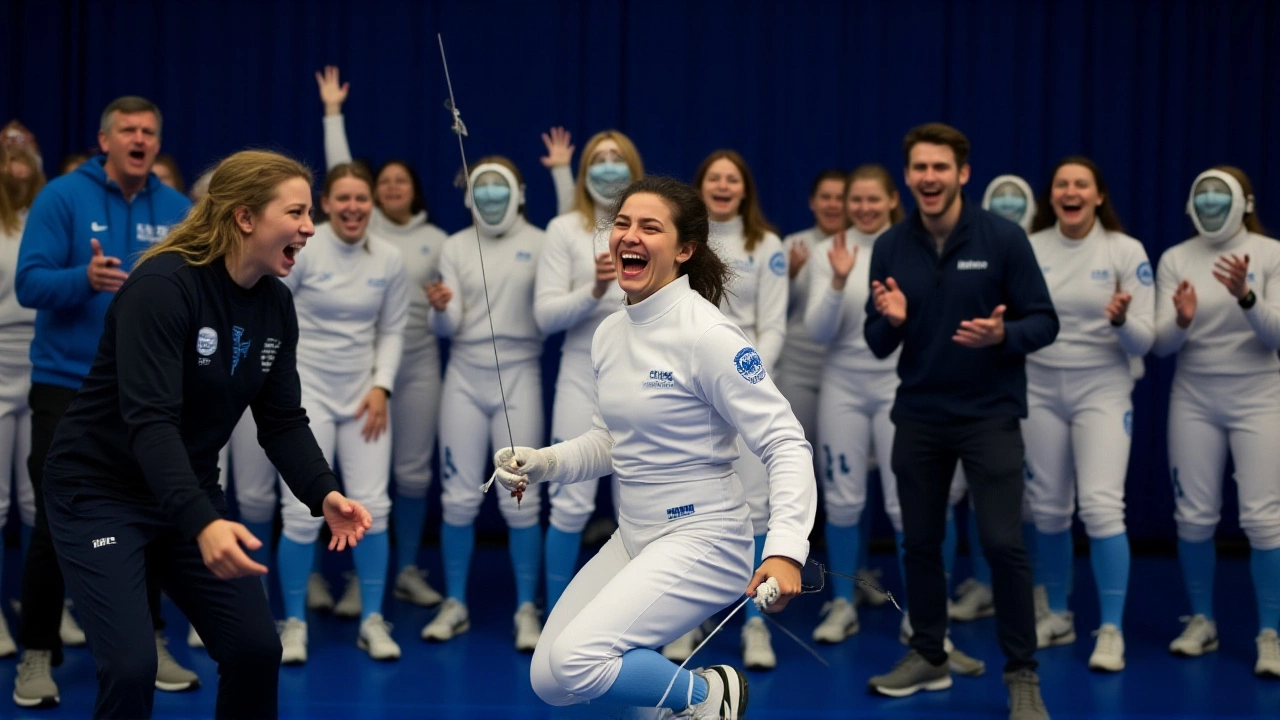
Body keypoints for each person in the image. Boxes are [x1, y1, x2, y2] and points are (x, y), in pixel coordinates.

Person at [40, 149, 373, 720]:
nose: (309, 227)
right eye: (295, 212)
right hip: (99, 494)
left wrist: (324, 493)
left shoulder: (276, 304)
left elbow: (282, 422)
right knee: (131, 667)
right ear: (245, 218)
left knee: (255, 649)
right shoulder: (162, 287)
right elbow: (151, 424)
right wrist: (203, 523)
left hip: (185, 493)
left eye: (308, 213)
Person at [493, 175, 814, 719]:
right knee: (549, 678)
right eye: (622, 223)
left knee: (577, 661)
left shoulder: (707, 335)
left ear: (684, 249)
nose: (630, 236)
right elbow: (609, 442)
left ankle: (711, 697)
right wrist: (544, 462)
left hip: (706, 538)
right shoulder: (610, 333)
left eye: (650, 227)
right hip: (635, 534)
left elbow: (785, 441)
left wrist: (784, 549)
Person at [862, 123, 1057, 719]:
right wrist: (893, 320)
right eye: (920, 167)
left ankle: (1022, 674)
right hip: (920, 414)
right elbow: (876, 342)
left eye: (940, 167)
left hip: (989, 415)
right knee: (920, 543)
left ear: (962, 173)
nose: (929, 177)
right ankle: (929, 655)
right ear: (908, 176)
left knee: (1002, 543)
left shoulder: (1003, 239)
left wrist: (1004, 334)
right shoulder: (891, 246)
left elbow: (1044, 322)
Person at [14, 95, 198, 708]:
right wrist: (83, 280)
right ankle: (36, 650)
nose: (139, 138)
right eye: (128, 129)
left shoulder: (177, 210)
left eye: (149, 130)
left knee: (150, 519)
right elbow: (28, 283)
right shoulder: (62, 197)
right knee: (54, 521)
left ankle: (152, 641)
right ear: (105, 140)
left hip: (145, 394)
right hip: (66, 386)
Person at [315, 65, 448, 614]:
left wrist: (446, 305)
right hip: (361, 368)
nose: (390, 188)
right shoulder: (361, 229)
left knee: (411, 475)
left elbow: (452, 310)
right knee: (338, 481)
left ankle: (405, 571)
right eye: (382, 182)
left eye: (400, 182)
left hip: (416, 366)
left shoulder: (437, 238)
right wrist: (332, 114)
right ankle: (346, 576)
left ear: (413, 189)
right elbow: (340, 173)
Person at [273, 162, 408, 664]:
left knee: (374, 506)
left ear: (372, 205)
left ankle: (372, 619)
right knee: (299, 512)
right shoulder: (303, 249)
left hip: (362, 399)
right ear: (326, 204)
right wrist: (283, 390)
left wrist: (381, 386)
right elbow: (274, 315)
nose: (353, 208)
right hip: (306, 394)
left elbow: (392, 329)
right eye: (343, 199)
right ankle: (293, 623)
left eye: (361, 199)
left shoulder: (390, 258)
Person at [1021, 157, 1153, 672]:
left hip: (1103, 388)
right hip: (1040, 388)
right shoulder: (1031, 247)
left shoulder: (1125, 251)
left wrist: (1121, 321)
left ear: (1098, 196)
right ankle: (1057, 614)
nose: (1070, 192)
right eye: (1062, 184)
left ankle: (1111, 628)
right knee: (1049, 509)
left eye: (1081, 184)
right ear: (1051, 196)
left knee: (1100, 507)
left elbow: (1145, 340)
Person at [1153, 166, 1280, 679]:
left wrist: (1246, 296)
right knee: (1193, 517)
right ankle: (1202, 621)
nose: (1209, 203)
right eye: (1201, 195)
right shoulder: (1176, 259)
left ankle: (1270, 633)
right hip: (1194, 399)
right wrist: (1182, 320)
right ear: (1190, 205)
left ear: (1244, 203)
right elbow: (1161, 346)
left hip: (1261, 398)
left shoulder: (1270, 254)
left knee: (1263, 519)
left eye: (1219, 194)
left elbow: (1276, 336)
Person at [662, 149, 786, 672]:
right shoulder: (687, 243)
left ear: (745, 189)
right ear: (700, 186)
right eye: (713, 178)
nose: (722, 186)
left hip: (746, 387)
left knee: (755, 507)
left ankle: (756, 623)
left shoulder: (768, 246)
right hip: (693, 391)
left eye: (732, 179)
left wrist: (743, 381)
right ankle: (682, 619)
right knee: (687, 503)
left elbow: (773, 325)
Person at [422, 156, 547, 651]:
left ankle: (525, 608)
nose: (492, 195)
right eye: (483, 186)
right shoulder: (455, 246)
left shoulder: (541, 242)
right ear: (469, 195)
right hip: (463, 378)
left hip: (519, 377)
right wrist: (440, 309)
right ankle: (455, 602)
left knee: (521, 496)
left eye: (501, 186)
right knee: (457, 497)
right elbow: (447, 326)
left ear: (519, 193)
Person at [534, 130, 643, 613]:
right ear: (584, 172)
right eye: (599, 158)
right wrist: (595, 290)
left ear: (634, 168)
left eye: (618, 157)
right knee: (569, 502)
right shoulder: (564, 230)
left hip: (641, 380)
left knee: (638, 504)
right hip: (581, 378)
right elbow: (545, 316)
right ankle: (557, 615)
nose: (608, 166)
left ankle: (637, 617)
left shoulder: (652, 227)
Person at [0, 144, 42, 658]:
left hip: (40, 363)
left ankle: (40, 606)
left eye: (25, 151)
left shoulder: (45, 216)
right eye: (8, 151)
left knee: (38, 500)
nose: (17, 163)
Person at [777, 169, 846, 468]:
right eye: (825, 197)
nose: (832, 205)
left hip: (842, 368)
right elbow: (776, 311)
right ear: (812, 202)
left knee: (838, 462)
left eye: (840, 198)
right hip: (797, 369)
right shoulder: (793, 245)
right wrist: (790, 277)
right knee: (796, 454)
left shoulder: (861, 246)